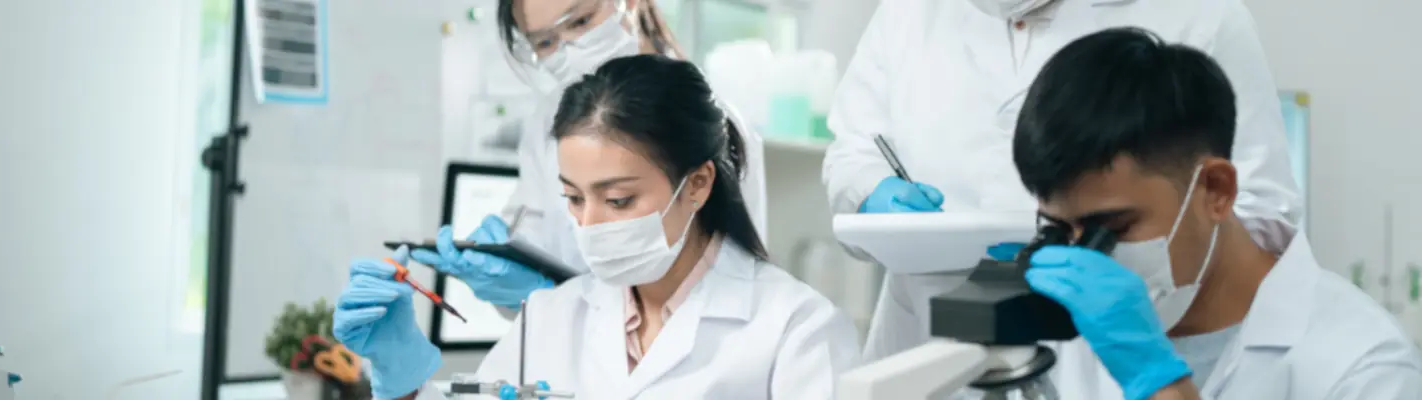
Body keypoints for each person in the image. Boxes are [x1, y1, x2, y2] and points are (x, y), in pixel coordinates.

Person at [333, 55, 857, 400]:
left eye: (618, 199)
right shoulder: (552, 316)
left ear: (697, 184)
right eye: (573, 198)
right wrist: (402, 375)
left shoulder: (797, 329)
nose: (590, 224)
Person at [823, 0, 1305, 362]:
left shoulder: (1198, 14)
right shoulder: (910, 11)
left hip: (1118, 344)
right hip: (928, 333)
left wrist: (1114, 256)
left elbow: (1260, 210)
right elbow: (854, 152)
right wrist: (869, 193)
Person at [1011, 27, 1421, 399]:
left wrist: (1157, 380)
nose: (1087, 263)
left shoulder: (1364, 367)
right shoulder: (1066, 334)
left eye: (1112, 228)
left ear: (1216, 190)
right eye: (1060, 230)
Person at [409, 0, 768, 312]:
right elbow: (539, 251)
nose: (568, 48)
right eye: (545, 42)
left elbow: (726, 296)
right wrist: (505, 271)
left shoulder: (705, 118)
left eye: (580, 21)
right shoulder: (547, 124)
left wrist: (568, 306)